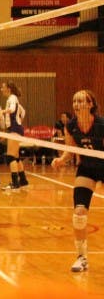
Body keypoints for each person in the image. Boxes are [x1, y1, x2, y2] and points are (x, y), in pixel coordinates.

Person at [51, 89, 103, 273]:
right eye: (75, 101)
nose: (77, 104)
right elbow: (70, 149)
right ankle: (82, 258)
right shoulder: (71, 125)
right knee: (79, 214)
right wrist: (61, 160)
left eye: (81, 101)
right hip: (87, 168)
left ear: (90, 105)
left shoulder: (101, 124)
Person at [0, 81, 29, 190]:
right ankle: (23, 180)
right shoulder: (14, 98)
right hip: (16, 128)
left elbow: (12, 109)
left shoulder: (12, 98)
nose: (1, 89)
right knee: (16, 157)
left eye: (3, 87)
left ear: (9, 88)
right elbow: (23, 111)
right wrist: (19, 121)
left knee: (10, 156)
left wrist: (4, 111)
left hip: (14, 128)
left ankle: (15, 183)